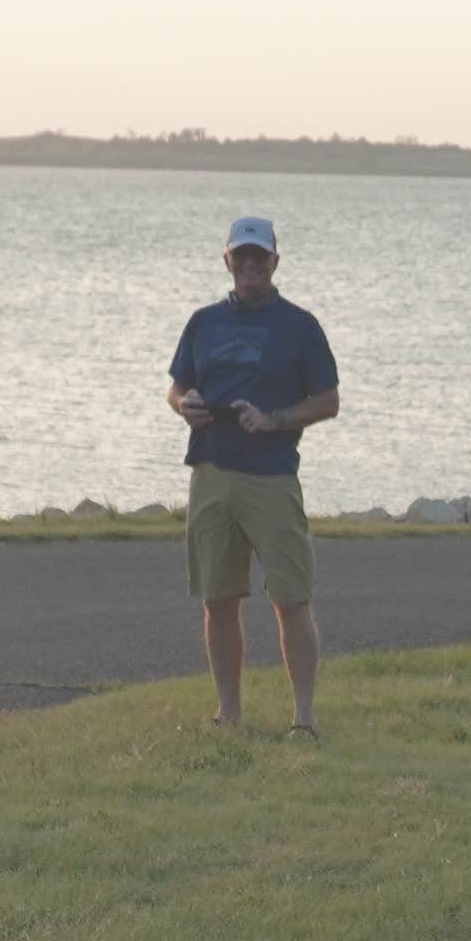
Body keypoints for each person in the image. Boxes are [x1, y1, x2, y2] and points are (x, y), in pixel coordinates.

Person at [170, 212, 341, 731]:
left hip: (271, 476)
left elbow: (328, 401)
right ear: (226, 260)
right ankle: (229, 713)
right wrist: (186, 405)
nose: (249, 265)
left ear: (274, 261)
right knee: (218, 600)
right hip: (211, 472)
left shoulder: (300, 326)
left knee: (291, 597)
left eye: (258, 257)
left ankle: (304, 720)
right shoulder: (203, 322)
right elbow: (175, 387)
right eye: (240, 256)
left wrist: (275, 420)